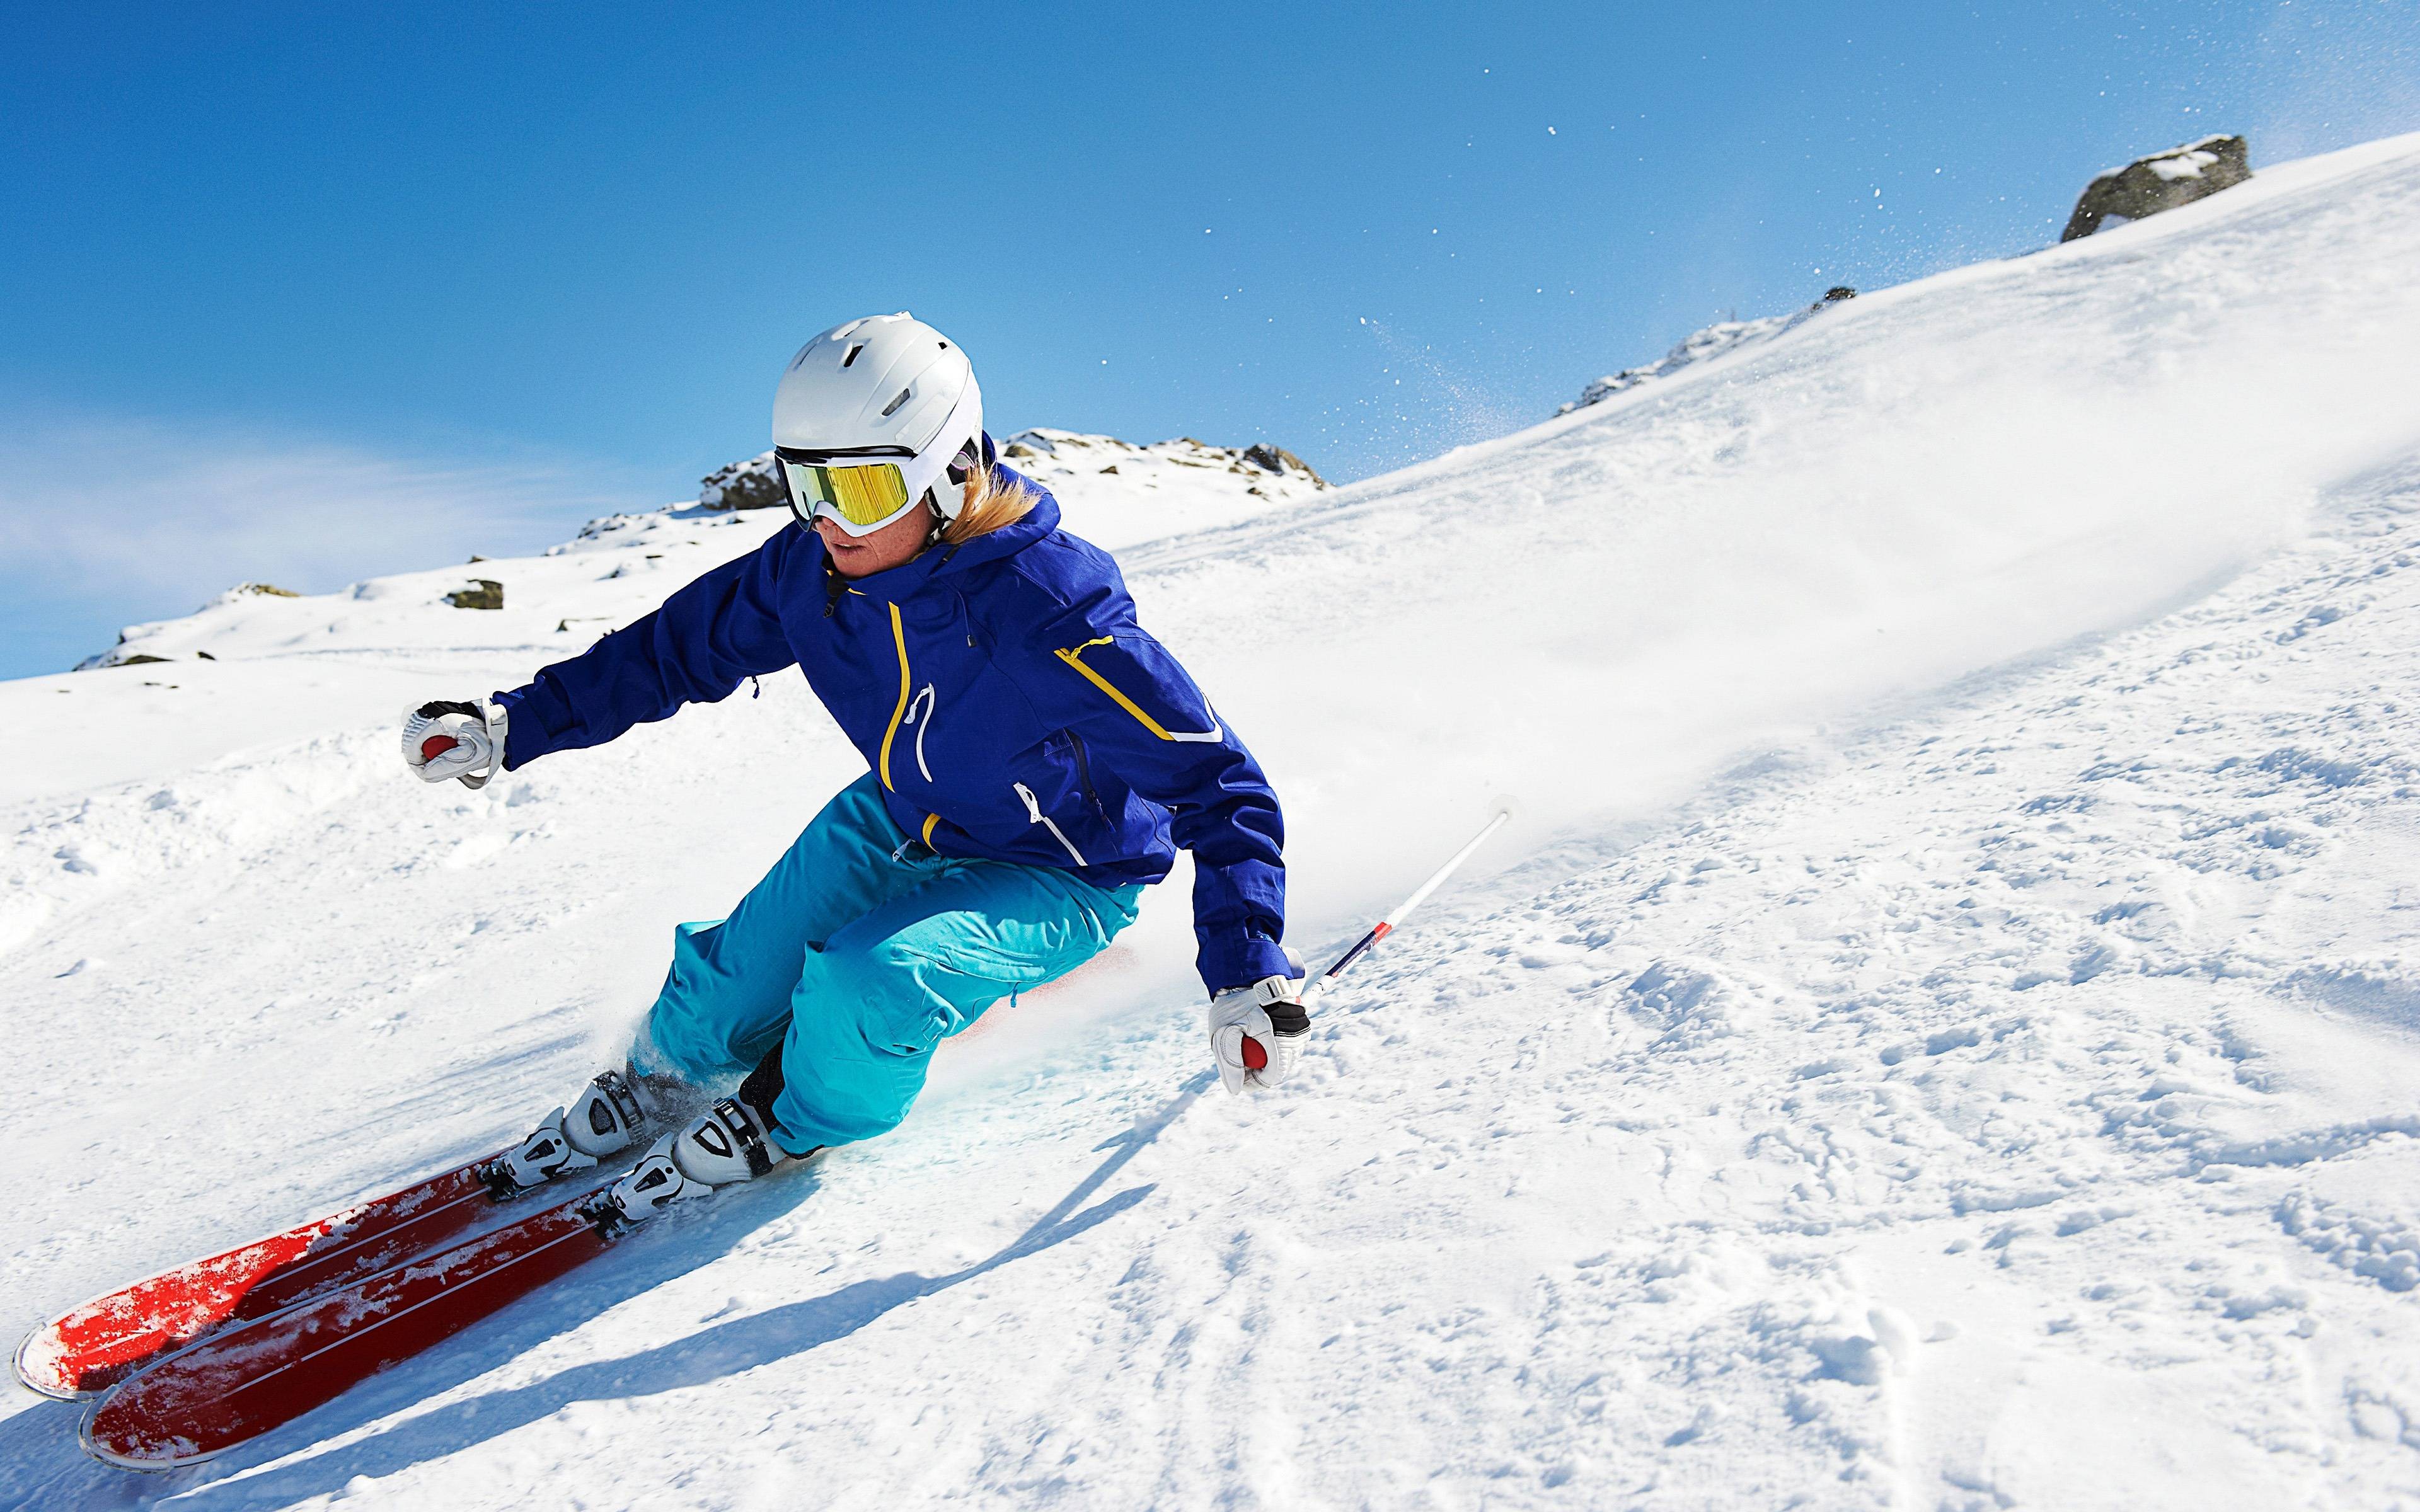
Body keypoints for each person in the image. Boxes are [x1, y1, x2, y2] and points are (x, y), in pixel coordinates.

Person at [400, 312, 1306, 1225]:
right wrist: (514, 723)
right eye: (807, 484)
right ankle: (658, 1083)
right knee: (716, 1005)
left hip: (1063, 867)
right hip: (902, 817)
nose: (831, 521)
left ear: (951, 472)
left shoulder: (1047, 602)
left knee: (867, 985)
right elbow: (673, 651)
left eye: (866, 490)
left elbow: (1214, 780)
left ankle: (791, 1121)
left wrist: (1243, 968)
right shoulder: (815, 570)